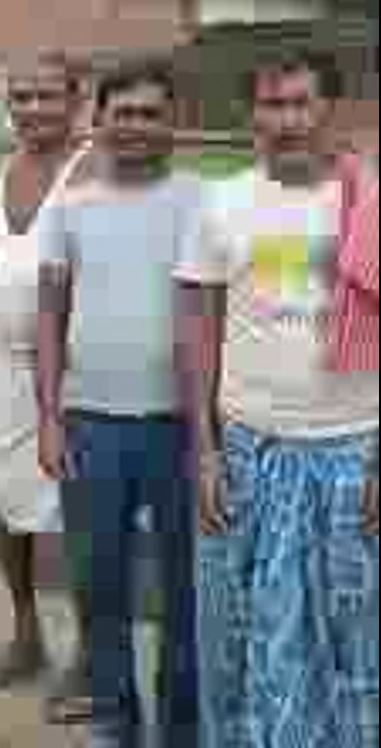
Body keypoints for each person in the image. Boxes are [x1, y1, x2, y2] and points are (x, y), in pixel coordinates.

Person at [177, 51, 379, 748]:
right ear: (252, 116)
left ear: (331, 110)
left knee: (356, 640)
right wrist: (205, 453)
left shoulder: (371, 202)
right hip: (248, 453)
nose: (286, 120)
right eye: (271, 105)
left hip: (353, 456)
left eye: (300, 103)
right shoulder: (221, 203)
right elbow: (199, 332)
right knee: (240, 637)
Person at [35, 58, 203, 748]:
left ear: (174, 122)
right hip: (90, 425)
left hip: (181, 426)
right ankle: (116, 720)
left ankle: (183, 727)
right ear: (99, 121)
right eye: (123, 113)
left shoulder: (204, 203)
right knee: (98, 584)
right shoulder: (69, 209)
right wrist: (49, 420)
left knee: (187, 588)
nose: (136, 126)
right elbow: (49, 316)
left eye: (150, 114)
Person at [0, 52, 92, 708]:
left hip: (70, 375)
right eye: (22, 97)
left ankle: (91, 654)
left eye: (47, 96)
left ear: (76, 101)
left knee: (78, 513)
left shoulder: (90, 174)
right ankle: (26, 632)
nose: (33, 109)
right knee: (0, 500)